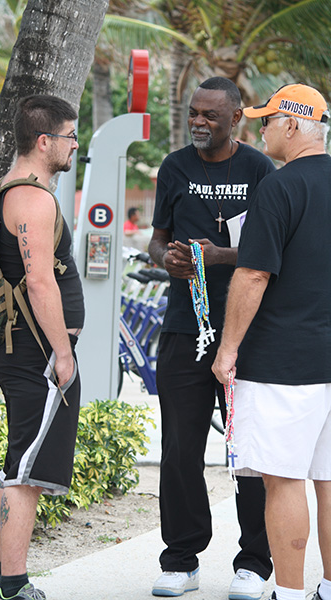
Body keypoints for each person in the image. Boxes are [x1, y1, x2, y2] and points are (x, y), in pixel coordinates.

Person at [148, 76, 275, 599]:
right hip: (184, 327)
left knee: (249, 450)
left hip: (248, 333)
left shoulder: (260, 170)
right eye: (193, 113)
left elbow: (272, 251)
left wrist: (217, 256)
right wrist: (170, 259)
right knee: (179, 448)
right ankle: (181, 559)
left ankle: (254, 563)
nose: (199, 122)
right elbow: (157, 240)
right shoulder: (175, 166)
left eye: (211, 116)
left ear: (236, 118)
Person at [212, 83, 331, 600]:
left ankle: (288, 592)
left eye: (266, 120)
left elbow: (253, 274)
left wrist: (228, 348)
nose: (260, 130)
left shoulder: (279, 189)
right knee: (328, 481)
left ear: (292, 125)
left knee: (283, 480)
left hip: (285, 362)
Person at [0, 95, 85, 600]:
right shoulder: (32, 198)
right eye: (70, 136)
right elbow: (39, 282)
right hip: (36, 353)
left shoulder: (15, 189)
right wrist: (63, 355)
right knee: (27, 472)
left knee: (17, 463)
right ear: (45, 141)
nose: (74, 145)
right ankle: (13, 586)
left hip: (22, 349)